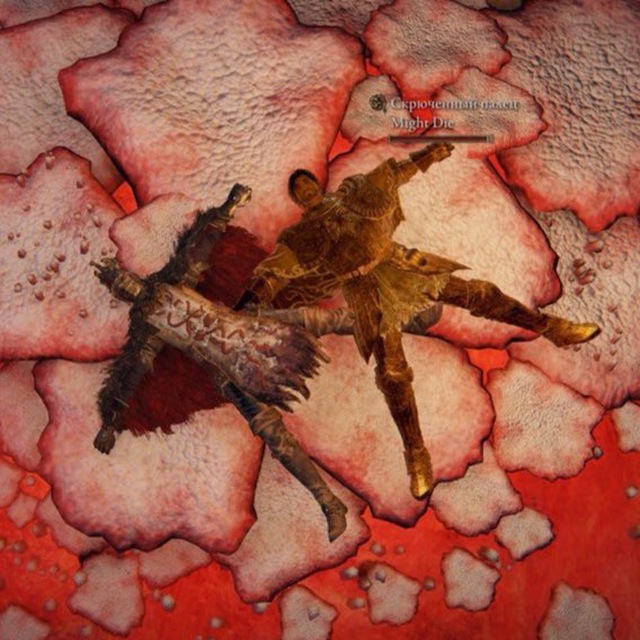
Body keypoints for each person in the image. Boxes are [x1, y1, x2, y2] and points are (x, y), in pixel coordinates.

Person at [235, 143, 600, 500]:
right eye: (299, 190)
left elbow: (393, 175)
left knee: (480, 294)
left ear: (316, 184)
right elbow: (275, 271)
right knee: (392, 375)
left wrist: (427, 156)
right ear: (298, 201)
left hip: (402, 264)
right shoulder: (300, 237)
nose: (306, 190)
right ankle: (417, 456)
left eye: (307, 183)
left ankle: (552, 328)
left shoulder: (355, 194)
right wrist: (250, 301)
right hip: (367, 294)